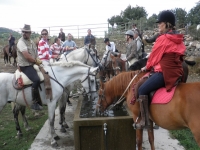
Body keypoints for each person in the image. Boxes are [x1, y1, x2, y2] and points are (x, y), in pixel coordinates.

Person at [135, 10, 186, 129]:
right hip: (178, 72)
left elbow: (153, 57)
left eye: (160, 23)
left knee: (142, 90)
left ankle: (145, 121)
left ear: (167, 24)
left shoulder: (163, 38)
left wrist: (146, 67)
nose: (158, 25)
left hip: (165, 73)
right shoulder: (177, 37)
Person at [17, 24, 43, 110]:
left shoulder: (31, 41)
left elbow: (35, 52)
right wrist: (36, 61)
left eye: (26, 32)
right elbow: (27, 56)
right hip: (25, 65)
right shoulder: (21, 42)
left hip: (31, 63)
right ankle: (34, 102)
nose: (24, 33)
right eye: (23, 31)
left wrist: (38, 59)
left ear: (30, 33)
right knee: (36, 79)